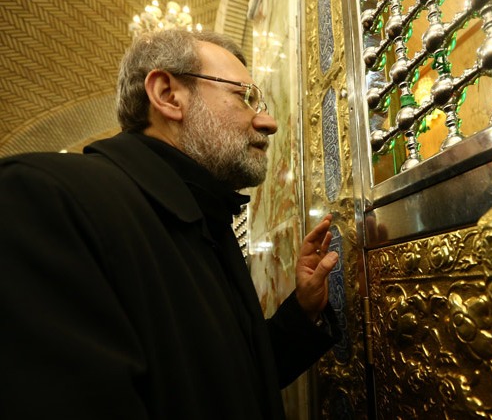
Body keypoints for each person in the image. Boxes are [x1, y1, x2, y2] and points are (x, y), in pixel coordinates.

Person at [0, 29, 340, 419]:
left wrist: (302, 311)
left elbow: (226, 381)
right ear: (167, 96)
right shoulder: (44, 197)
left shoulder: (206, 219)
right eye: (244, 97)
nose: (268, 121)